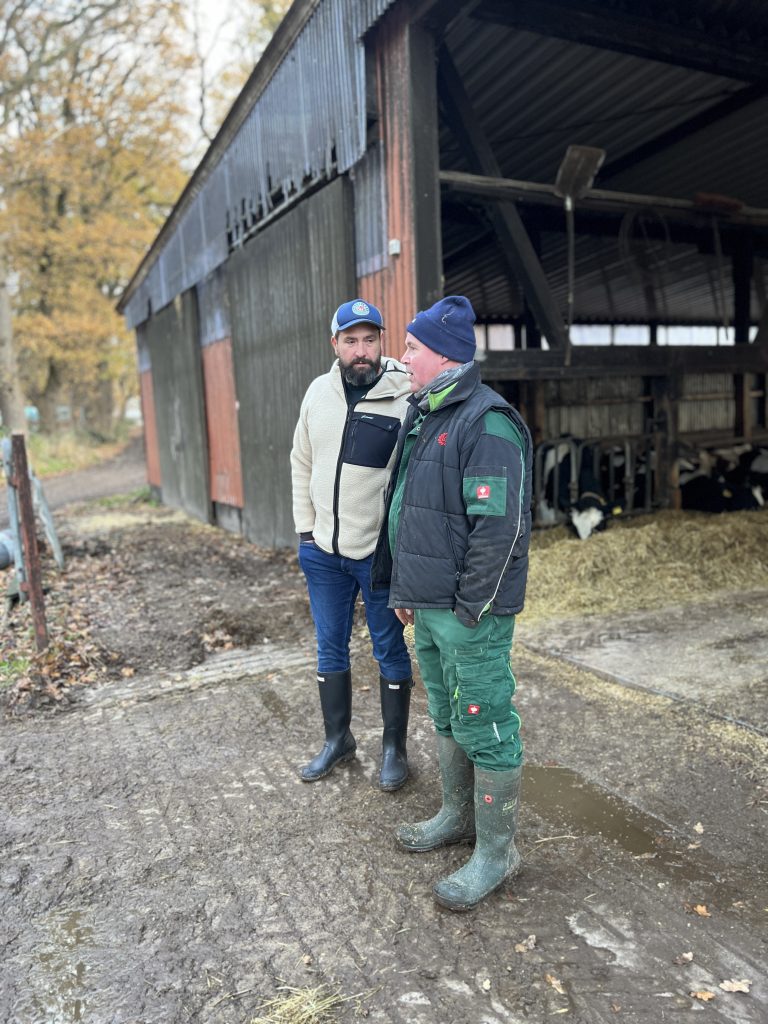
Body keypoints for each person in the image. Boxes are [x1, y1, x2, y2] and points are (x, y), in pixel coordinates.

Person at [371, 294, 532, 910]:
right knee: (445, 712)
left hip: (471, 614)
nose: (403, 355)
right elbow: (408, 508)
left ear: (444, 355)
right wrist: (403, 591)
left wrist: (471, 610)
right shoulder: (428, 413)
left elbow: (500, 530)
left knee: (486, 724)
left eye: (412, 347)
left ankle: (497, 852)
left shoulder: (486, 422)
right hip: (428, 606)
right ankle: (456, 817)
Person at [291, 299, 414, 791]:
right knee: (329, 647)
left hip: (377, 554)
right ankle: (337, 739)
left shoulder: (404, 393)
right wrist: (305, 530)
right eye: (351, 341)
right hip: (323, 553)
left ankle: (393, 749)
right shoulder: (318, 393)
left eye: (369, 340)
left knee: (388, 648)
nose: (361, 351)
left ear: (381, 341)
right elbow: (301, 461)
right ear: (335, 344)